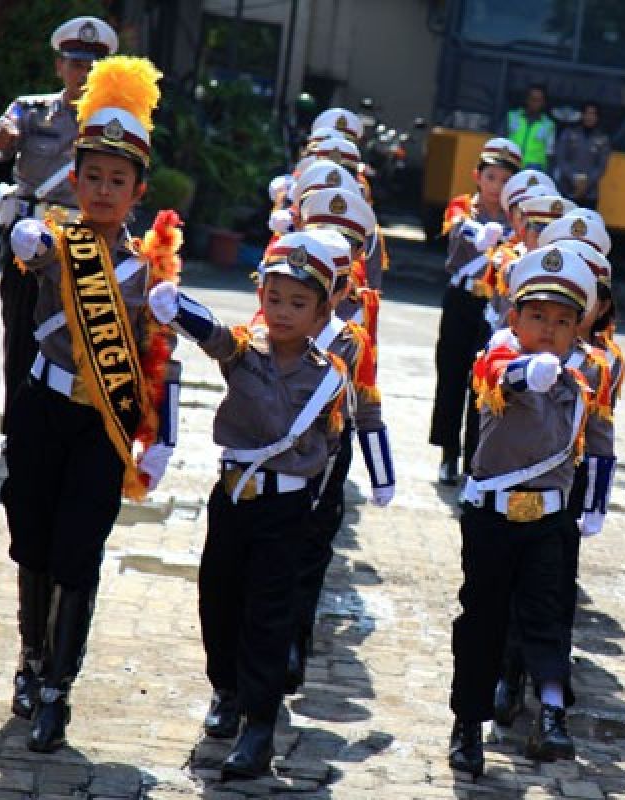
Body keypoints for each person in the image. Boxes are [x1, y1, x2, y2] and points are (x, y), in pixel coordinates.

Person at [1, 55, 179, 753]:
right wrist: (25, 241)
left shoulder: (150, 270)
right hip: (43, 413)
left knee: (80, 551)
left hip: (102, 426)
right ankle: (29, 658)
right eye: (93, 178)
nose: (104, 191)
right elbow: (30, 254)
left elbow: (162, 359)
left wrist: (163, 436)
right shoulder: (55, 237)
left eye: (118, 181)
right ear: (75, 182)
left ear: (137, 191)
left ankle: (57, 689)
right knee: (33, 540)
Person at [148, 232, 348, 779]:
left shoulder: (329, 375)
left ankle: (259, 726)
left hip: (284, 510)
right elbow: (212, 336)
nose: (283, 312)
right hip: (232, 499)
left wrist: (315, 516)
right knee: (218, 600)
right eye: (275, 299)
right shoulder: (245, 349)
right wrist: (177, 309)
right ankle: (227, 689)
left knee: (268, 612)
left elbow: (331, 451)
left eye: (298, 303)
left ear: (321, 313)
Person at [449, 246, 600, 778]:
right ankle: (467, 723)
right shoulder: (495, 360)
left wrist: (595, 506)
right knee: (483, 620)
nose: (549, 330)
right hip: (492, 517)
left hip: (548, 522)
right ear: (514, 318)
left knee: (547, 619)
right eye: (537, 316)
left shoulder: (582, 382)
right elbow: (504, 379)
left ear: (577, 331)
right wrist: (527, 372)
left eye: (563, 322)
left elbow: (597, 441)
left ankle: (554, 711)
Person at [0, 15, 119, 431]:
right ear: (60, 66)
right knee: (20, 336)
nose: (82, 73)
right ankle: (14, 435)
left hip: (83, 245)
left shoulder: (114, 124)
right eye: (74, 63)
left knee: (76, 343)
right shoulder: (29, 109)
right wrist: (0, 139)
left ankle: (58, 432)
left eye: (92, 66)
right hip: (28, 240)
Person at [284, 192, 396, 694]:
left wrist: (382, 469)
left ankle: (294, 639)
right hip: (275, 440)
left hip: (330, 441)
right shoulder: (281, 303)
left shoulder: (356, 321)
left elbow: (364, 393)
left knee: (311, 545)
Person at [429, 138, 521, 486]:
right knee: (451, 374)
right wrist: (484, 235)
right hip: (461, 301)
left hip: (494, 306)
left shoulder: (518, 217)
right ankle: (448, 453)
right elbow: (459, 228)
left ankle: (474, 459)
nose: (497, 187)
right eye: (492, 177)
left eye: (505, 180)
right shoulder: (462, 206)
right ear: (477, 176)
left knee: (480, 379)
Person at [554, 102, 610, 208]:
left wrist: (585, 183)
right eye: (587, 113)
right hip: (567, 189)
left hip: (590, 194)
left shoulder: (602, 139)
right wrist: (573, 179)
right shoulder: (568, 133)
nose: (589, 117)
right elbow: (561, 159)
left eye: (593, 114)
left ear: (597, 117)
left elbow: (601, 166)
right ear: (582, 115)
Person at [502, 84, 555, 173]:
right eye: (532, 99)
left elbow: (549, 153)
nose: (535, 103)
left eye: (538, 100)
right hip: (511, 162)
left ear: (543, 103)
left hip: (534, 168)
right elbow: (501, 140)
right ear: (527, 99)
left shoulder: (549, 125)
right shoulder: (512, 116)